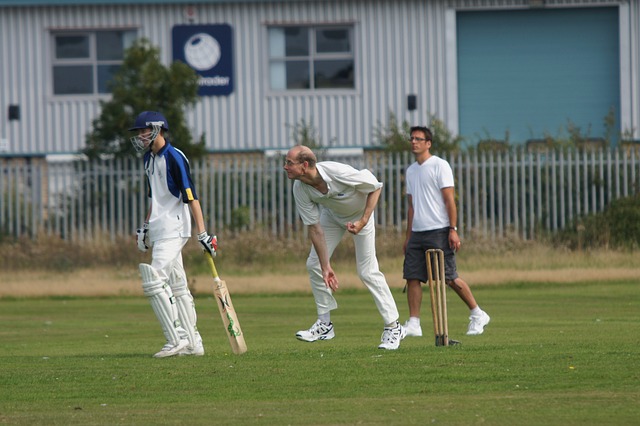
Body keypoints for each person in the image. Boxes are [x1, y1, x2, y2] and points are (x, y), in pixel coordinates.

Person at [283, 145, 405, 350]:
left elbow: (375, 186)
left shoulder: (337, 172)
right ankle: (324, 325)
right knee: (314, 264)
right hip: (332, 217)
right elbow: (314, 228)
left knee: (367, 272)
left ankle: (393, 327)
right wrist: (326, 266)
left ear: (304, 165)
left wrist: (364, 220)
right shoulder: (300, 188)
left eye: (289, 163)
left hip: (361, 217)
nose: (284, 167)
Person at [130, 111, 218, 358]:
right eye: (138, 132)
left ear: (157, 129)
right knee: (178, 286)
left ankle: (175, 338)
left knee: (153, 279)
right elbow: (154, 199)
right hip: (159, 229)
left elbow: (192, 198)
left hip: (175, 228)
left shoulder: (175, 157)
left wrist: (202, 234)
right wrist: (145, 227)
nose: (140, 136)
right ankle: (193, 342)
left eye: (143, 131)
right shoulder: (148, 159)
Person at [402, 125, 490, 338]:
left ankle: (478, 314)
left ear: (428, 143)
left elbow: (449, 200)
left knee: (448, 277)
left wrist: (453, 229)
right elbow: (412, 206)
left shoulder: (440, 165)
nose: (414, 142)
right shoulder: (411, 171)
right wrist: (408, 236)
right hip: (417, 232)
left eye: (419, 139)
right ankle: (414, 323)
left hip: (439, 230)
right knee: (412, 277)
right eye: (412, 138)